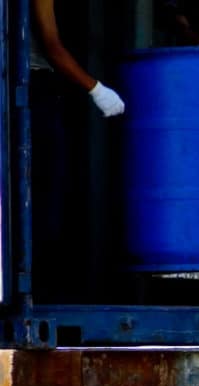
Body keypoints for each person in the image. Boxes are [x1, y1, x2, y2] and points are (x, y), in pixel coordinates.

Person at [30, 0, 124, 301]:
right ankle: (40, 292)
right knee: (46, 200)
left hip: (30, 90)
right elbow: (52, 45)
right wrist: (96, 89)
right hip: (33, 90)